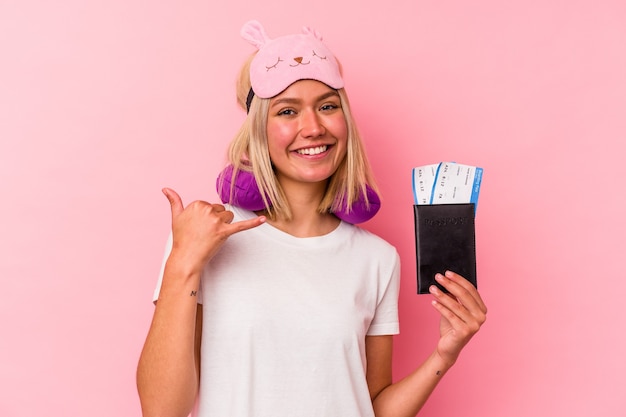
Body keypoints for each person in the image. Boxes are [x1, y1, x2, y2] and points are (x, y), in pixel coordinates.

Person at [136, 20, 487, 417]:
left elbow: (374, 407)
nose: (313, 127)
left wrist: (445, 353)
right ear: (258, 131)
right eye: (288, 111)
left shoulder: (377, 258)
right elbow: (161, 410)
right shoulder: (210, 234)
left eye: (327, 106)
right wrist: (183, 262)